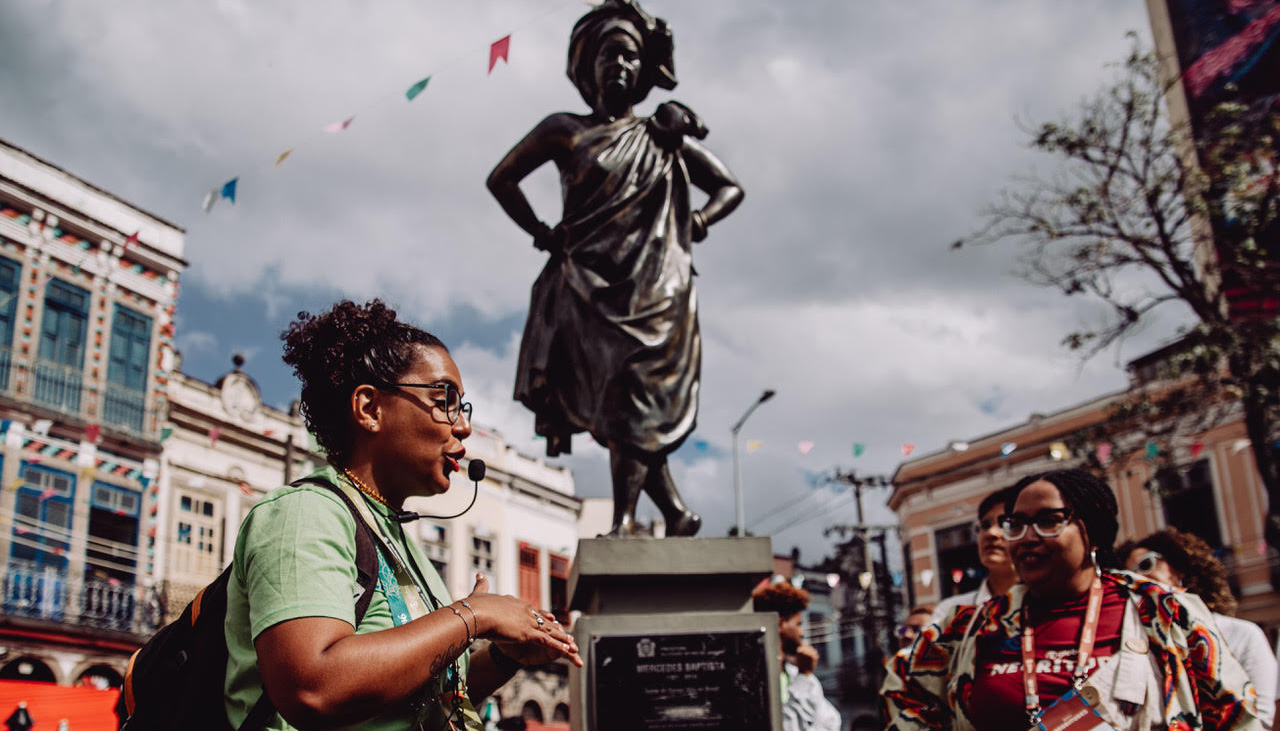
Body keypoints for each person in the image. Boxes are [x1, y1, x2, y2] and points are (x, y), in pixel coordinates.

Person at [222, 300, 582, 731]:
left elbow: (426, 699)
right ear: (370, 409)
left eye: (462, 407)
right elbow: (313, 687)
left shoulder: (397, 540)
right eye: (444, 398)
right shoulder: (305, 514)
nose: (463, 426)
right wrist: (473, 615)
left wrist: (504, 656)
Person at [487, 0, 744, 537]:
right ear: (588, 66)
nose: (619, 65)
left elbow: (729, 186)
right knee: (620, 400)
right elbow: (502, 178)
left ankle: (640, 518)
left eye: (629, 56)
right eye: (608, 54)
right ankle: (667, 512)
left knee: (635, 398)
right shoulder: (566, 130)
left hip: (658, 286)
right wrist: (541, 231)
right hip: (588, 286)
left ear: (644, 69)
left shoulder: (661, 135)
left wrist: (698, 219)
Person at [882, 468, 1259, 730]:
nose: (1027, 537)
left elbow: (1236, 718)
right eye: (1017, 524)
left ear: (1093, 532)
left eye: (1049, 521)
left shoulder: (1163, 612)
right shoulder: (967, 628)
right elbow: (907, 700)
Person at [1120, 528, 1277, 729]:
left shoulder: (1243, 634)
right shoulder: (1141, 648)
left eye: (1145, 565)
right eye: (1128, 576)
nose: (1139, 580)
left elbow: (1261, 716)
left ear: (1177, 570)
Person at [752, 581, 842, 731]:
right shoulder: (756, 678)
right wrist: (804, 677)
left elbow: (831, 721)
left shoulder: (795, 672)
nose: (802, 633)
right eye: (798, 624)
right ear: (781, 624)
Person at [931, 486, 1019, 624]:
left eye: (1006, 524)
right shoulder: (950, 612)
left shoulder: (1050, 604)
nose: (991, 533)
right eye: (985, 525)